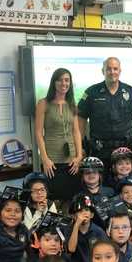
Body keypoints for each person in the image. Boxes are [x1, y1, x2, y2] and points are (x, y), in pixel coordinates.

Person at [77, 57, 132, 167]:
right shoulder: (91, 92)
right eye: (108, 69)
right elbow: (80, 120)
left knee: (126, 182)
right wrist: (80, 146)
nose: (112, 72)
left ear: (120, 71)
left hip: (126, 149)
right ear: (103, 71)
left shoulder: (131, 92)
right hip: (99, 150)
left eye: (115, 69)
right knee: (100, 182)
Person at [34, 67, 83, 202]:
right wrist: (44, 159)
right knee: (53, 199)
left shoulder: (72, 103)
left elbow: (76, 132)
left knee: (71, 198)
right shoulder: (43, 103)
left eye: (67, 80)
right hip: (52, 161)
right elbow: (38, 133)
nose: (64, 83)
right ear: (54, 83)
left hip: (72, 161)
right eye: (60, 80)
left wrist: (78, 156)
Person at [65, 194, 108, 262]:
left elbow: (105, 251)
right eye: (80, 211)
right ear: (74, 216)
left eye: (86, 210)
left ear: (92, 215)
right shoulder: (69, 229)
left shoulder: (98, 231)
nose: (84, 213)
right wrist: (76, 226)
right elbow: (71, 249)